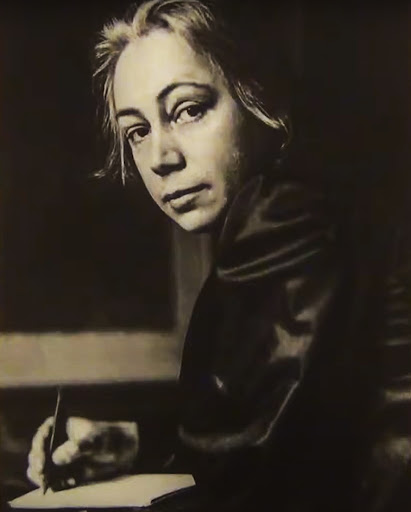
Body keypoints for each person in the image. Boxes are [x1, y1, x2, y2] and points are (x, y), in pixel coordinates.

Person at [26, 0, 411, 510]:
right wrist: (136, 441)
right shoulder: (293, 201)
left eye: (188, 109)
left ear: (257, 98)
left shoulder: (287, 212)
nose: (161, 158)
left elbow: (255, 484)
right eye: (138, 131)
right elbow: (278, 424)